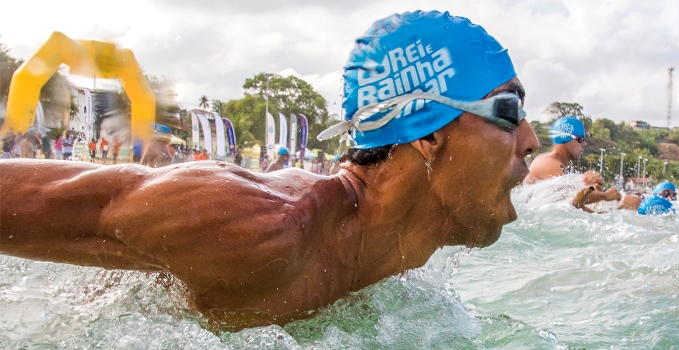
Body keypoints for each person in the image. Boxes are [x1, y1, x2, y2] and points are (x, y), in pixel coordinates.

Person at [0, 10, 537, 331]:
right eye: (509, 113)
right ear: (427, 134)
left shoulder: (393, 266)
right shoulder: (254, 227)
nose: (532, 142)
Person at [523, 116, 638, 212]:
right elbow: (570, 203)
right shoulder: (551, 164)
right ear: (567, 138)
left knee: (631, 202)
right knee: (632, 202)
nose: (585, 144)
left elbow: (571, 205)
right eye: (581, 139)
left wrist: (596, 188)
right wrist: (604, 195)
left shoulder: (552, 163)